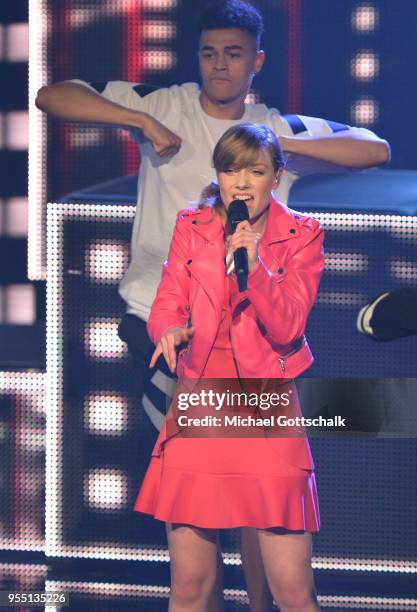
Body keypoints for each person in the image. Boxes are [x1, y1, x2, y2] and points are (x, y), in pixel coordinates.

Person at [35, 1, 389, 608]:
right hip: (173, 342)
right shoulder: (164, 108)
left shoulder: (278, 138)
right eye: (208, 53)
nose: (219, 65)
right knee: (196, 553)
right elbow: (52, 95)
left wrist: (276, 145)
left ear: (257, 60)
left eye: (232, 53)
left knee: (270, 542)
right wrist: (138, 123)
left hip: (260, 367)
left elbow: (373, 147)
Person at [134, 122, 324, 612]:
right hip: (200, 407)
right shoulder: (191, 227)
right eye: (230, 169)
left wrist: (254, 267)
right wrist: (168, 331)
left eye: (255, 171)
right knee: (191, 589)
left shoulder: (302, 236)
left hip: (266, 409)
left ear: (275, 177)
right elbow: (167, 303)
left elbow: (288, 326)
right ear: (218, 176)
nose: (241, 183)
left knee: (293, 593)